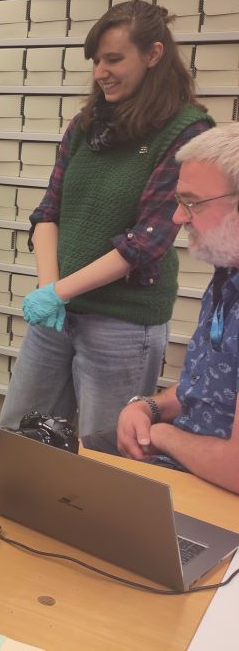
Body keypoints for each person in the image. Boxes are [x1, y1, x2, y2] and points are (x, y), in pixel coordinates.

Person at [0, 0, 214, 443]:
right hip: (59, 312)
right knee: (19, 435)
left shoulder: (186, 131)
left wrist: (59, 290)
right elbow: (48, 212)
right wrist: (49, 290)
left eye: (114, 58)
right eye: (97, 60)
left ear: (153, 55)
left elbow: (145, 243)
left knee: (104, 451)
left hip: (123, 324)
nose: (101, 71)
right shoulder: (85, 125)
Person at [115, 126, 239, 494]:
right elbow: (209, 387)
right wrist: (147, 408)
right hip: (188, 468)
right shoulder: (226, 277)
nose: (178, 218)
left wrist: (164, 435)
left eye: (192, 202)